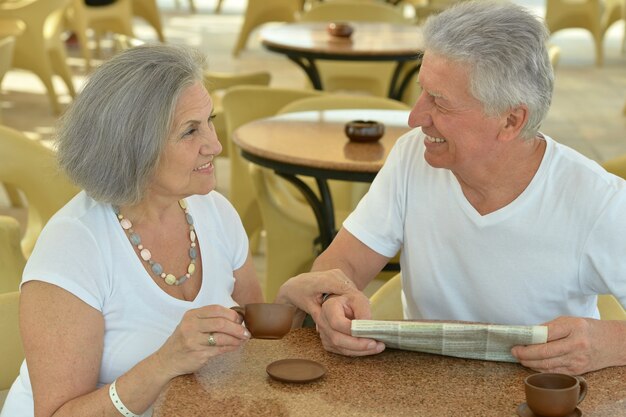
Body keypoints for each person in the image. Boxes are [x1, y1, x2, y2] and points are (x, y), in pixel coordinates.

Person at [276, 0, 626, 376]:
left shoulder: (599, 202)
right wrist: (331, 300)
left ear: (511, 120)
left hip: (541, 398)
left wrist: (609, 343)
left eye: (439, 103)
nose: (414, 117)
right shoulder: (414, 156)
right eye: (422, 90)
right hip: (422, 390)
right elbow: (342, 264)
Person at [0, 44, 263, 417]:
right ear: (135, 148)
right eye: (190, 131)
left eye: (210, 121)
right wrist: (163, 363)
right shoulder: (74, 246)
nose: (215, 145)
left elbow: (250, 335)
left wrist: (293, 306)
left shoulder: (215, 212)